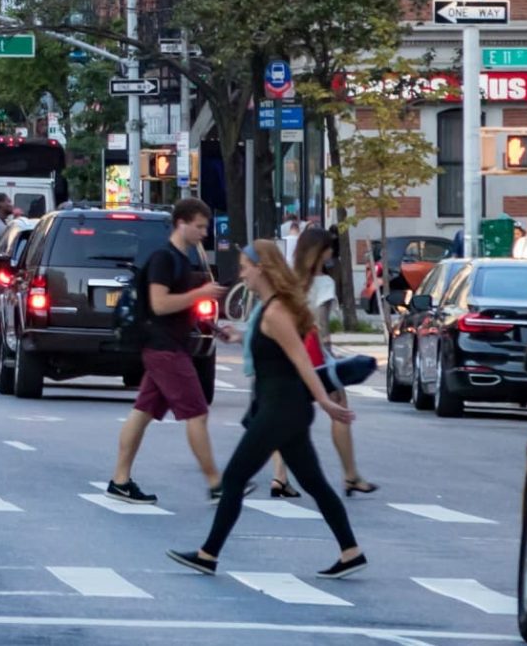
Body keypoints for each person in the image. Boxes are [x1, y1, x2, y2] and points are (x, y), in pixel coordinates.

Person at [167, 242, 366, 580]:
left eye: (245, 266)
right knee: (314, 483)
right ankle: (351, 551)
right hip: (285, 408)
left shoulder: (276, 312)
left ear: (262, 268)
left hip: (281, 409)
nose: (242, 273)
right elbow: (271, 348)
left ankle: (208, 554)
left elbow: (302, 362)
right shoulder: (271, 308)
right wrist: (236, 337)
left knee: (233, 478)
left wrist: (328, 402)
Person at [107, 197, 229, 506]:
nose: (204, 233)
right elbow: (160, 304)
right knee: (197, 414)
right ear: (182, 223)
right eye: (199, 227)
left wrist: (213, 328)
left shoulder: (181, 259)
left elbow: (179, 308)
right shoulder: (165, 258)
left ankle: (120, 480)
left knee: (142, 412)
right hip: (165, 349)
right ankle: (216, 484)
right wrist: (199, 293)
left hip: (166, 346)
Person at [270, 229, 375, 498]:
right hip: (313, 353)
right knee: (340, 408)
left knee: (285, 415)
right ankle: (350, 474)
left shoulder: (288, 280)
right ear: (320, 252)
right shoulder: (324, 283)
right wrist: (331, 359)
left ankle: (279, 477)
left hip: (285, 351)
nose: (332, 255)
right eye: (329, 250)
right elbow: (321, 326)